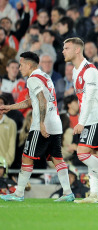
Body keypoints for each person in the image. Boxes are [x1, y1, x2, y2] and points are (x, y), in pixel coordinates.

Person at [0, 51, 74, 202]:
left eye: (21, 65)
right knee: (57, 158)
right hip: (55, 123)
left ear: (28, 64)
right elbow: (31, 102)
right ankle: (68, 193)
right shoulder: (45, 76)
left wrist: (40, 123)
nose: (19, 68)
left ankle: (18, 193)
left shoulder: (32, 79)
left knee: (27, 158)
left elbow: (42, 101)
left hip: (42, 124)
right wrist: (11, 107)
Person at [62, 37, 98, 203]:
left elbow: (89, 98)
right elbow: (81, 99)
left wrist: (81, 121)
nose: (63, 51)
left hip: (95, 119)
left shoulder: (90, 71)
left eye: (67, 48)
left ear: (77, 50)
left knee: (82, 154)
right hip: (89, 120)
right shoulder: (75, 71)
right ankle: (94, 195)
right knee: (93, 156)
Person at [0, 95, 16, 168]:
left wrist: (4, 164)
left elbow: (11, 146)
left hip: (4, 166)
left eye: (1, 103)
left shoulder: (11, 123)